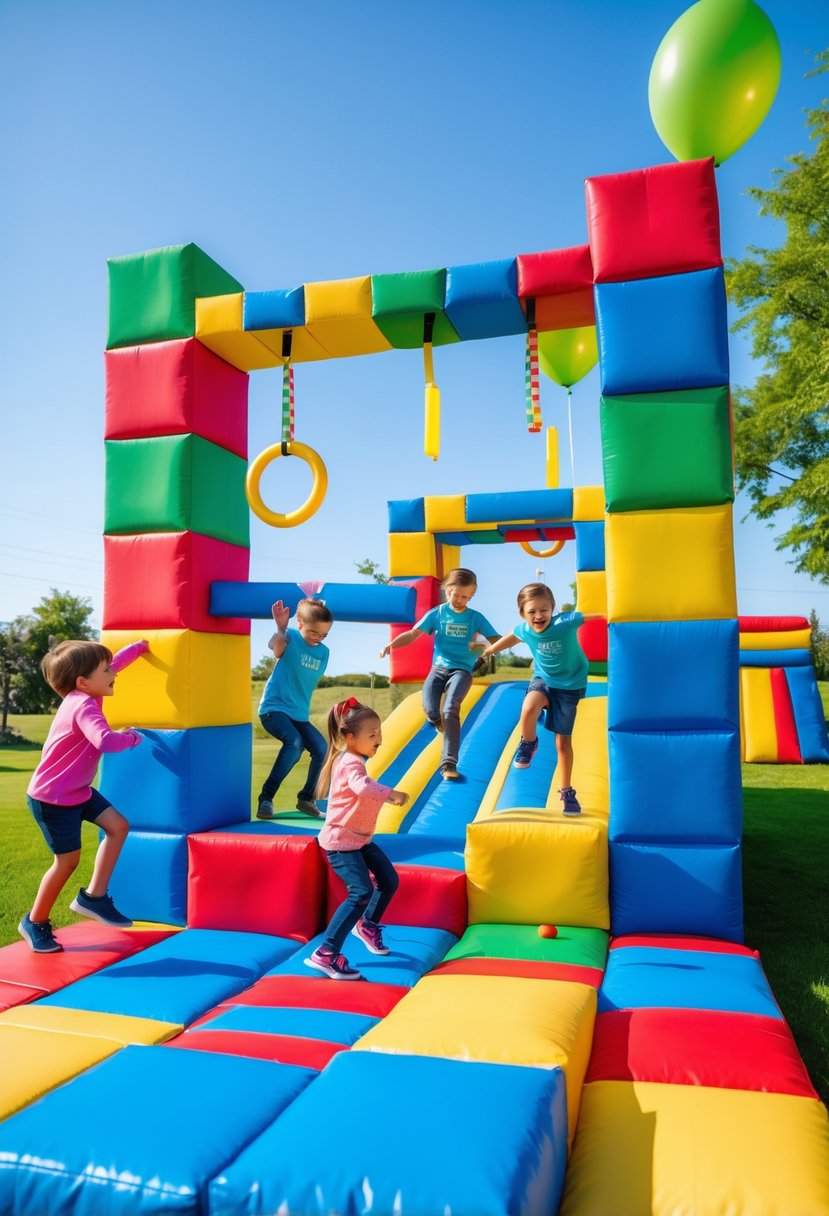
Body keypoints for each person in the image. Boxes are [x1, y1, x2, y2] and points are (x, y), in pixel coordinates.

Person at [19, 638, 150, 954]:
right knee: (66, 862)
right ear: (83, 681)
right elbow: (104, 740)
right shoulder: (83, 705)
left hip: (77, 791)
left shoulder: (87, 689)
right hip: (52, 799)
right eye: (105, 670)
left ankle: (94, 897)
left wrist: (142, 646)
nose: (112, 672)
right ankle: (34, 922)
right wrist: (130, 738)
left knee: (118, 826)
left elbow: (116, 662)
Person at [306, 697, 409, 980]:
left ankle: (367, 925)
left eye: (380, 733)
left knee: (388, 880)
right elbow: (360, 787)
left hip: (359, 840)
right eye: (372, 735)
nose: (379, 739)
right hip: (341, 843)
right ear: (350, 737)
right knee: (361, 892)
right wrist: (391, 794)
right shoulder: (350, 762)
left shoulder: (355, 759)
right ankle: (326, 953)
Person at [478, 582, 588, 815]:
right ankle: (529, 743)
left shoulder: (566, 623)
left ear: (552, 608)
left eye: (544, 610)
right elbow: (511, 637)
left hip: (569, 687)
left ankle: (567, 790)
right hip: (543, 680)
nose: (539, 616)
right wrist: (489, 650)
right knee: (528, 708)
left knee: (562, 743)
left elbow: (593, 613)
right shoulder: (524, 630)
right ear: (523, 614)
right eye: (532, 612)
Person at [379, 567, 499, 781]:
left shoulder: (475, 617)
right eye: (456, 594)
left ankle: (449, 763)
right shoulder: (437, 614)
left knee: (452, 707)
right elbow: (413, 633)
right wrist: (392, 645)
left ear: (471, 596)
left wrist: (503, 642)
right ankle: (436, 722)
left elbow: (495, 637)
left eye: (466, 597)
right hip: (438, 669)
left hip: (462, 670)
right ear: (447, 590)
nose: (460, 600)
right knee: (431, 709)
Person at [256, 597, 332, 820]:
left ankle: (306, 798)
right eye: (314, 632)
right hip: (273, 708)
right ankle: (266, 799)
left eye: (324, 634)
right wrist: (281, 627)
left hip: (298, 714)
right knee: (295, 743)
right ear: (299, 623)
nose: (318, 638)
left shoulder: (324, 652)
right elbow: (276, 650)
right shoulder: (289, 637)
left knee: (321, 748)